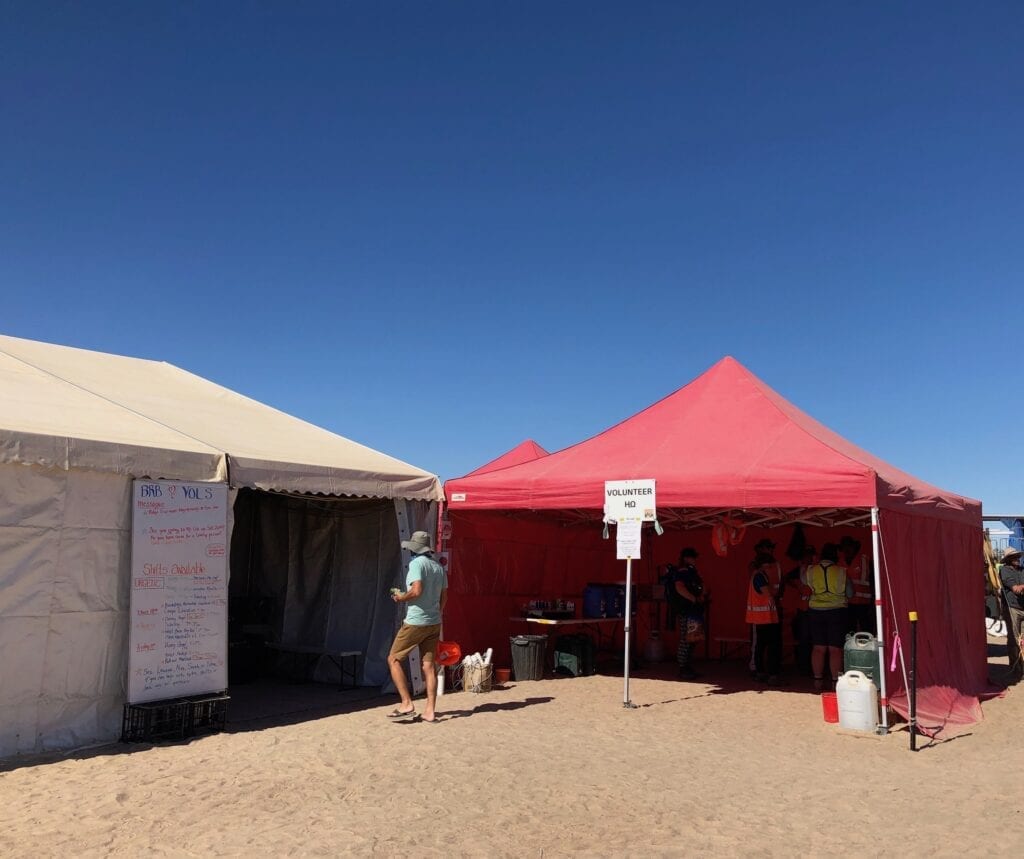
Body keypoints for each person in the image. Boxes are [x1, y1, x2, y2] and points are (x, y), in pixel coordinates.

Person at [386, 530, 448, 722]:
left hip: (416, 621)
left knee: (394, 659)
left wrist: (401, 597)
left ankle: (406, 703)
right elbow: (444, 596)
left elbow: (416, 590)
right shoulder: (438, 567)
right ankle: (430, 711)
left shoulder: (416, 564)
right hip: (433, 621)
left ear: (415, 549)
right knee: (429, 666)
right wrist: (436, 612)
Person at [807, 542, 852, 691]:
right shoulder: (841, 571)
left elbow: (805, 585)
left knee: (818, 647)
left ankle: (817, 681)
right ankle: (835, 683)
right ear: (836, 556)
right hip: (836, 611)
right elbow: (851, 593)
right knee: (835, 649)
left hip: (815, 611)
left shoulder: (811, 570)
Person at [668, 547, 705, 680]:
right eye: (692, 557)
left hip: (693, 610)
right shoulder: (682, 572)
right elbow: (679, 587)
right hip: (686, 610)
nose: (695, 560)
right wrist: (693, 598)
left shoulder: (692, 572)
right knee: (686, 639)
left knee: (693, 638)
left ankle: (687, 667)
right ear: (686, 558)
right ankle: (683, 667)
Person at [747, 553, 783, 683]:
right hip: (764, 618)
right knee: (770, 646)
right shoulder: (759, 577)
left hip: (763, 617)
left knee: (761, 646)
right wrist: (775, 591)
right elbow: (768, 593)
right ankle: (770, 673)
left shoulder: (758, 575)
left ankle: (761, 672)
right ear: (764, 565)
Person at [784, 545, 816, 676]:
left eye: (811, 555)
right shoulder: (800, 569)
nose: (810, 558)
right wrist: (797, 586)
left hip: (814, 608)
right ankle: (804, 666)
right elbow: (786, 578)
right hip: (803, 609)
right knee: (804, 639)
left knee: (813, 639)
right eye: (807, 555)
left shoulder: (815, 569)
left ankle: (810, 666)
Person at [998, 546, 1024, 681]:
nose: (1018, 559)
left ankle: (1022, 666)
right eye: (1015, 557)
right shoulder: (1004, 571)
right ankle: (1015, 668)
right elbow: (1016, 589)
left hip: (1022, 607)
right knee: (1014, 640)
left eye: (1018, 556)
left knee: (1022, 641)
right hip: (1012, 608)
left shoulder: (1022, 570)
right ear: (1008, 559)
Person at [840, 535, 875, 635]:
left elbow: (873, 580)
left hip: (864, 603)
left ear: (854, 547)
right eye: (844, 548)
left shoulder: (865, 560)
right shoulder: (840, 562)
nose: (846, 550)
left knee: (866, 630)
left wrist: (873, 602)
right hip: (848, 603)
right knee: (850, 630)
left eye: (848, 546)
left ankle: (867, 649)